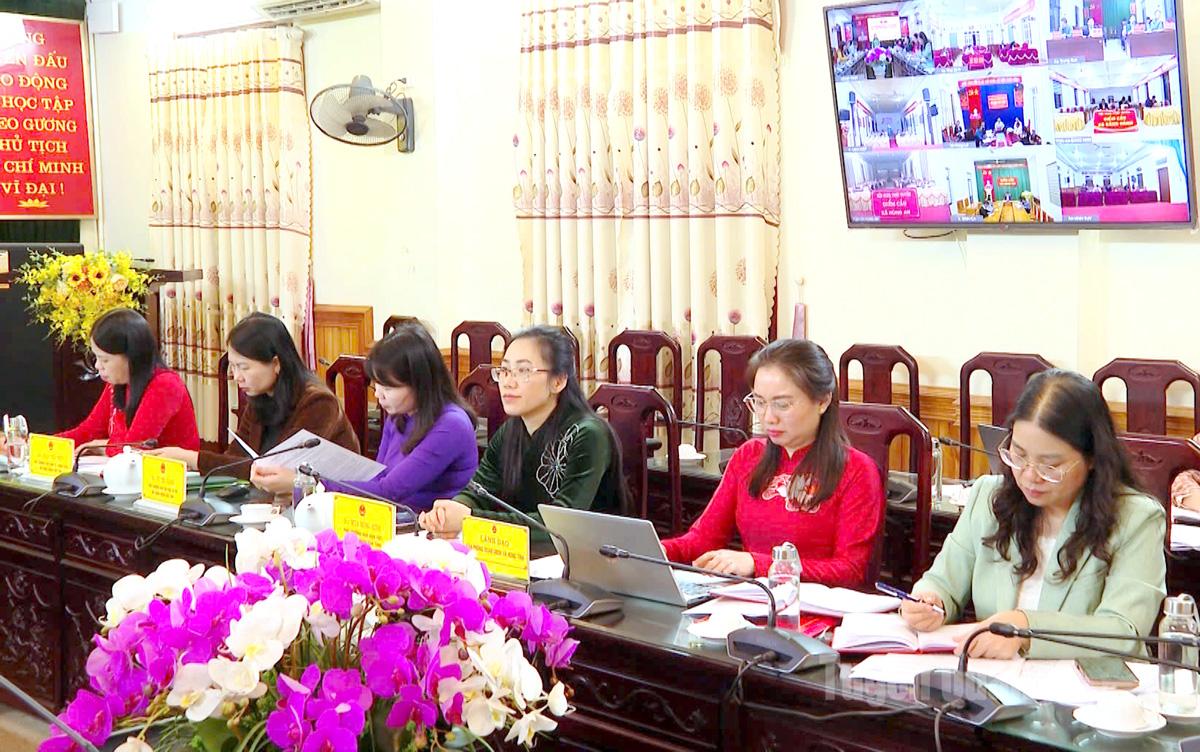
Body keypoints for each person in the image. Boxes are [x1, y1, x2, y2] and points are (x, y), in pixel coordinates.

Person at [900, 370, 1166, 659]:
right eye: (1018, 454)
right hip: (994, 679)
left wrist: (1026, 628)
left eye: (1050, 466)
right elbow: (942, 582)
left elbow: (1123, 631)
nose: (1028, 476)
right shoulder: (988, 497)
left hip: (1089, 693)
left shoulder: (1137, 518)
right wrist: (929, 600)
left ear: (1093, 458)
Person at [658, 340, 883, 585]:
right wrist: (652, 551)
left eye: (782, 404)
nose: (768, 417)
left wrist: (759, 564)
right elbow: (702, 539)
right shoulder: (749, 456)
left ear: (822, 401)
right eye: (759, 402)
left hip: (816, 611)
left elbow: (849, 570)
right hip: (752, 601)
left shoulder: (857, 470)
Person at [419, 325, 626, 537]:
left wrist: (469, 520)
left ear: (558, 380)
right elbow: (478, 491)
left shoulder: (588, 435)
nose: (508, 382)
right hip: (527, 558)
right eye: (505, 371)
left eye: (524, 371)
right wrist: (446, 515)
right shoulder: (511, 430)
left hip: (588, 559)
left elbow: (558, 528)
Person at [249, 323, 479, 510]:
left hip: (432, 533)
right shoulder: (399, 415)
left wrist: (303, 484)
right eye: (376, 385)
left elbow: (390, 492)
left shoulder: (451, 425)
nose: (378, 395)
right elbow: (376, 478)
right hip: (393, 520)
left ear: (420, 383)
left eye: (388, 388)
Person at [151, 312, 358, 476]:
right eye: (233, 367)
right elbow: (236, 458)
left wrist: (191, 458)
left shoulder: (319, 403)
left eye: (244, 367)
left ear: (276, 363)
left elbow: (276, 468)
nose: (236, 377)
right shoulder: (261, 396)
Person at [53, 308, 199, 456]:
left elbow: (133, 449)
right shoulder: (118, 382)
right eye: (96, 358)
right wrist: (42, 445)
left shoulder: (165, 385)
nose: (98, 366)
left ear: (131, 357)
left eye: (105, 360)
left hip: (171, 476)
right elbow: (89, 431)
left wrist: (104, 446)